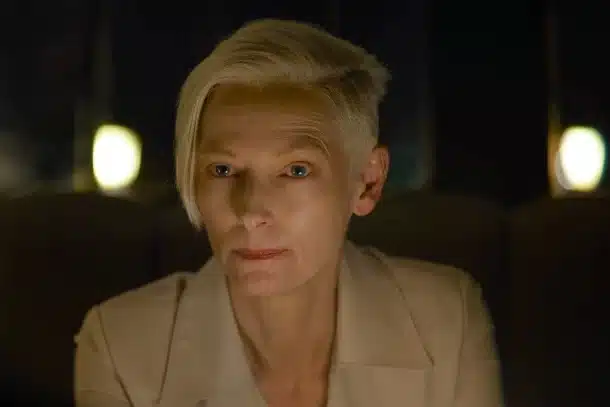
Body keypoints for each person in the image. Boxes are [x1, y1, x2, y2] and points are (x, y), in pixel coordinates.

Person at [74, 19, 503, 407]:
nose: (251, 211)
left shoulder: (444, 319)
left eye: (296, 170)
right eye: (223, 170)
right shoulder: (122, 346)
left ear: (367, 181)